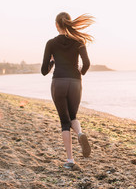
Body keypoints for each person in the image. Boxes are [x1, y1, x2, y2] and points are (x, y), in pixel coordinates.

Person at [41, 12, 94, 169]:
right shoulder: (79, 41)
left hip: (59, 83)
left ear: (57, 25)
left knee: (65, 122)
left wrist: (52, 62)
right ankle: (80, 134)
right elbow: (87, 63)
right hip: (76, 83)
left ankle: (70, 160)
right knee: (73, 116)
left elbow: (44, 71)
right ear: (69, 24)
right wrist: (80, 72)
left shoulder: (51, 43)